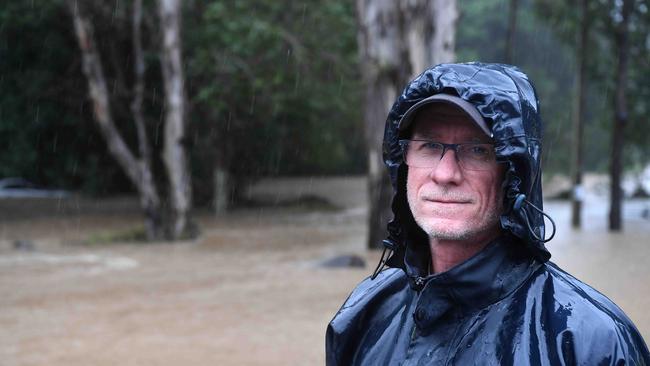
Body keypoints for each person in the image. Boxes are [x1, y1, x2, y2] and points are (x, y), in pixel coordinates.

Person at [326, 63, 650, 365]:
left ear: (514, 174)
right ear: (403, 161)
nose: (445, 173)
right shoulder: (364, 313)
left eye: (477, 150)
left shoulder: (591, 342)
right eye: (429, 146)